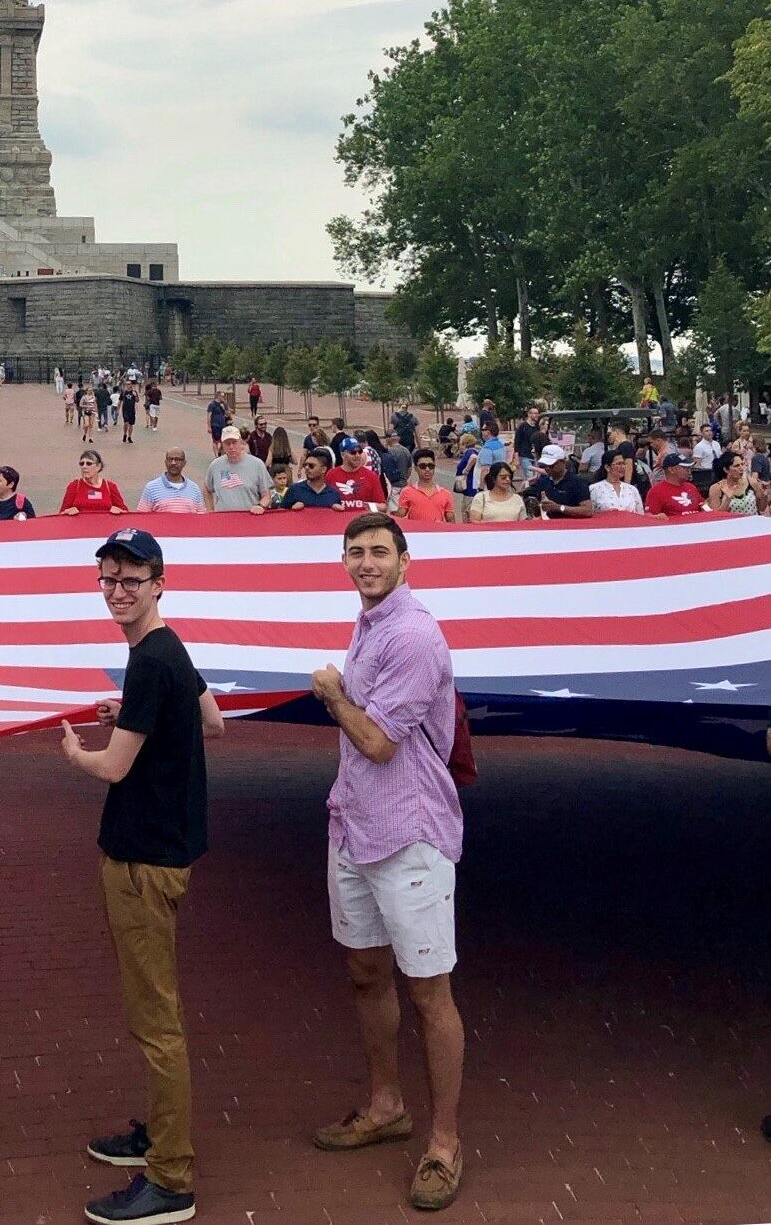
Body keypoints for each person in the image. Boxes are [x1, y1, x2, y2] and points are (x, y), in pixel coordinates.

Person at [62, 525, 224, 1225]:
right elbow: (210, 722)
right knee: (155, 1014)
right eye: (109, 579)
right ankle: (157, 1138)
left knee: (156, 1022)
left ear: (159, 582)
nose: (118, 591)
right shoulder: (166, 651)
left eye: (131, 579)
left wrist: (77, 751)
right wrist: (132, 714)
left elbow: (114, 767)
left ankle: (171, 1177)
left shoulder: (150, 662)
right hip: (167, 854)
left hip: (141, 864)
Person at [311, 514, 465, 1212]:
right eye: (356, 552)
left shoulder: (409, 635)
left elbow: (377, 743)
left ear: (406, 560)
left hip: (409, 833)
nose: (366, 562)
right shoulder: (369, 620)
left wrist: (334, 695)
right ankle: (384, 1106)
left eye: (379, 552)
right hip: (354, 824)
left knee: (429, 992)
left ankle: (444, 1144)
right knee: (364, 971)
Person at [203, 426, 273, 514]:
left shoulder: (257, 464)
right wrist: (210, 511)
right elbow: (206, 488)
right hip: (223, 520)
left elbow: (267, 495)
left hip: (249, 518)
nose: (231, 447)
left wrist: (261, 506)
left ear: (241, 442)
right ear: (222, 444)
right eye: (227, 443)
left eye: (234, 442)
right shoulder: (215, 465)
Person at [524, 445, 593, 519]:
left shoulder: (577, 482)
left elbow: (588, 510)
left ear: (563, 462)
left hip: (572, 526)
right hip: (550, 526)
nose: (547, 468)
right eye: (544, 465)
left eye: (551, 465)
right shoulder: (543, 482)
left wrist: (559, 507)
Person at [326, 437, 387, 512]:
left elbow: (383, 507)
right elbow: (324, 500)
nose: (357, 455)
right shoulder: (331, 475)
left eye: (360, 451)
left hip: (362, 522)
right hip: (339, 521)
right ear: (342, 455)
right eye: (353, 452)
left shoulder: (371, 476)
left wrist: (370, 507)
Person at [394, 451, 456, 525]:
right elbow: (400, 517)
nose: (427, 469)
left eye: (431, 466)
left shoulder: (446, 494)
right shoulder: (407, 491)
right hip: (417, 534)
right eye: (423, 466)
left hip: (437, 534)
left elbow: (451, 521)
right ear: (416, 468)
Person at [60, 449, 127, 516]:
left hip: (105, 525)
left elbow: (126, 514)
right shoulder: (74, 486)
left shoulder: (110, 487)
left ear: (98, 466)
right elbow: (61, 515)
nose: (84, 466)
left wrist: (119, 511)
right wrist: (67, 512)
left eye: (89, 463)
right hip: (79, 526)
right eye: (81, 463)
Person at [138, 449, 205, 515]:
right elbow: (142, 517)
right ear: (165, 462)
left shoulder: (194, 489)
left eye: (177, 459)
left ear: (184, 463)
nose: (173, 463)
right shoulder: (151, 488)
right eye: (170, 459)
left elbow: (201, 517)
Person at [643, 452, 706, 517]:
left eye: (689, 468)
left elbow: (703, 505)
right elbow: (648, 515)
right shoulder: (656, 491)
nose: (689, 471)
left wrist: (707, 508)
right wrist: (656, 517)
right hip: (674, 525)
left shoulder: (691, 487)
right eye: (685, 468)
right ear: (671, 470)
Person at [285, 447, 345, 512]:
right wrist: (291, 509)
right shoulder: (294, 490)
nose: (307, 468)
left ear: (323, 469)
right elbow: (281, 514)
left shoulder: (334, 494)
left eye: (311, 466)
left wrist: (339, 511)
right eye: (305, 465)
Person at [708, 448, 761, 515]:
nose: (741, 468)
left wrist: (764, 495)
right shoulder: (716, 488)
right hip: (731, 524)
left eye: (742, 464)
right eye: (737, 466)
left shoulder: (752, 482)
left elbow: (761, 508)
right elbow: (716, 516)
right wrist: (728, 499)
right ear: (726, 470)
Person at [512, 406, 541, 482]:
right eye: (534, 413)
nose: (537, 415)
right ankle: (528, 491)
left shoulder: (538, 427)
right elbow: (517, 441)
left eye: (537, 413)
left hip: (535, 456)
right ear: (529, 414)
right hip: (524, 455)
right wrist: (516, 457)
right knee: (529, 476)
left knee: (536, 477)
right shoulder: (523, 426)